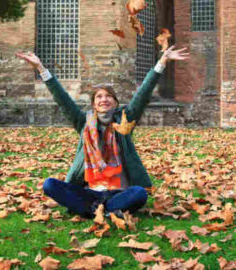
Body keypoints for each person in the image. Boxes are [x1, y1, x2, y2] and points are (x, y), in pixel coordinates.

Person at [16, 46, 189, 218]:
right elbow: (62, 99)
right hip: (89, 191)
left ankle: (95, 210)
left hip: (118, 192)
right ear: (93, 104)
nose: (104, 99)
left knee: (139, 194)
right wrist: (41, 68)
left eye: (108, 96)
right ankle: (103, 210)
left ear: (115, 103)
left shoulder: (125, 121)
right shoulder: (83, 122)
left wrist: (162, 62)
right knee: (49, 185)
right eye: (99, 96)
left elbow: (142, 95)